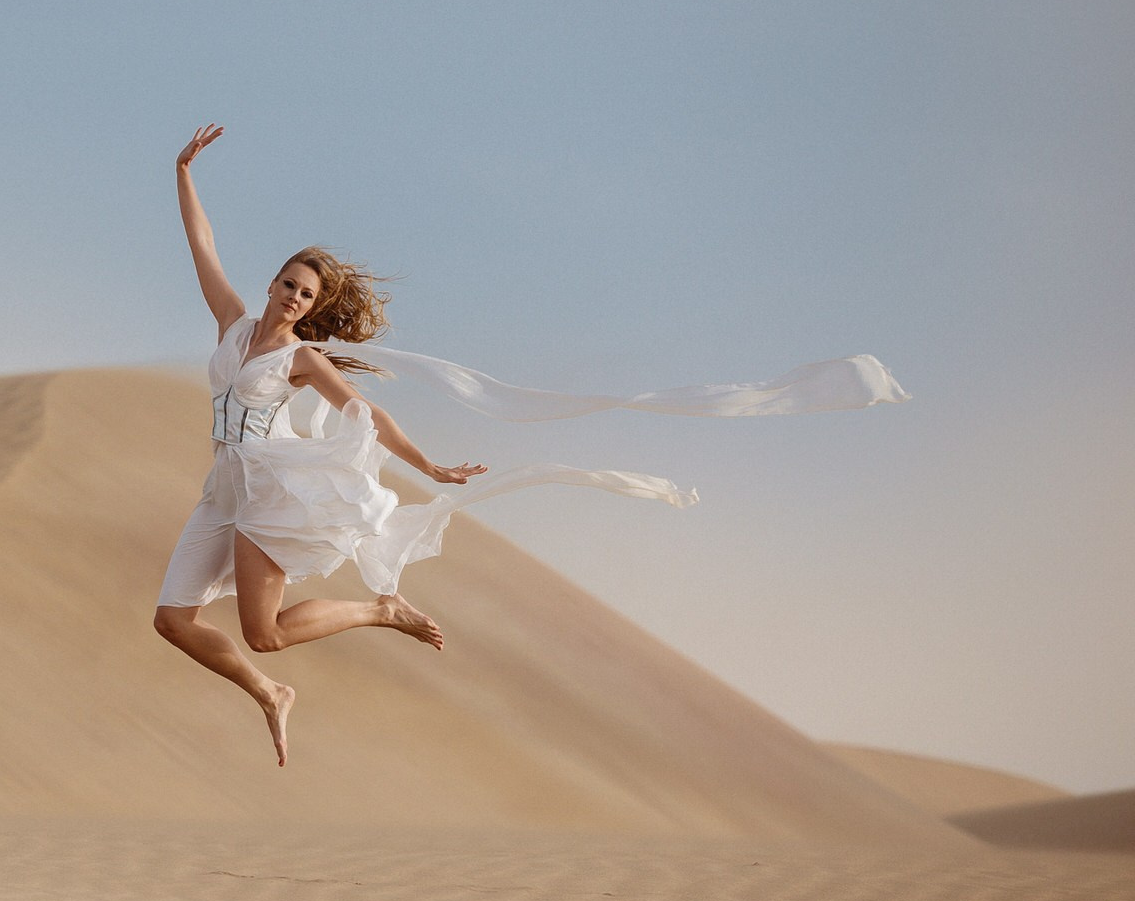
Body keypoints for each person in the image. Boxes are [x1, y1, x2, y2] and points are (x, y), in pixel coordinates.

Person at [150, 123, 909, 767]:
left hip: (267, 494)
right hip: (217, 492)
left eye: (305, 293)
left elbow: (368, 418)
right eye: (286, 282)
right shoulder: (234, 325)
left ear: (315, 310)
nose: (290, 295)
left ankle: (382, 612)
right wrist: (184, 171)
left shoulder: (301, 361)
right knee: (173, 621)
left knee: (266, 632)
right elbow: (202, 245)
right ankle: (270, 692)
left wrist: (429, 467)